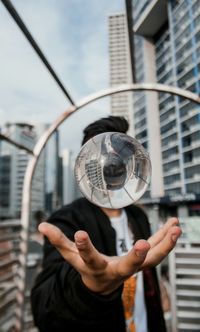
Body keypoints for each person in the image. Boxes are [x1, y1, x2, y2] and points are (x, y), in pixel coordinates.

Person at [31, 116, 181, 332]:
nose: (114, 165)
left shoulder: (138, 217)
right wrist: (91, 287)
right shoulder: (68, 220)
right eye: (105, 156)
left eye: (124, 151)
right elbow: (44, 309)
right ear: (87, 163)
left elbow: (150, 290)